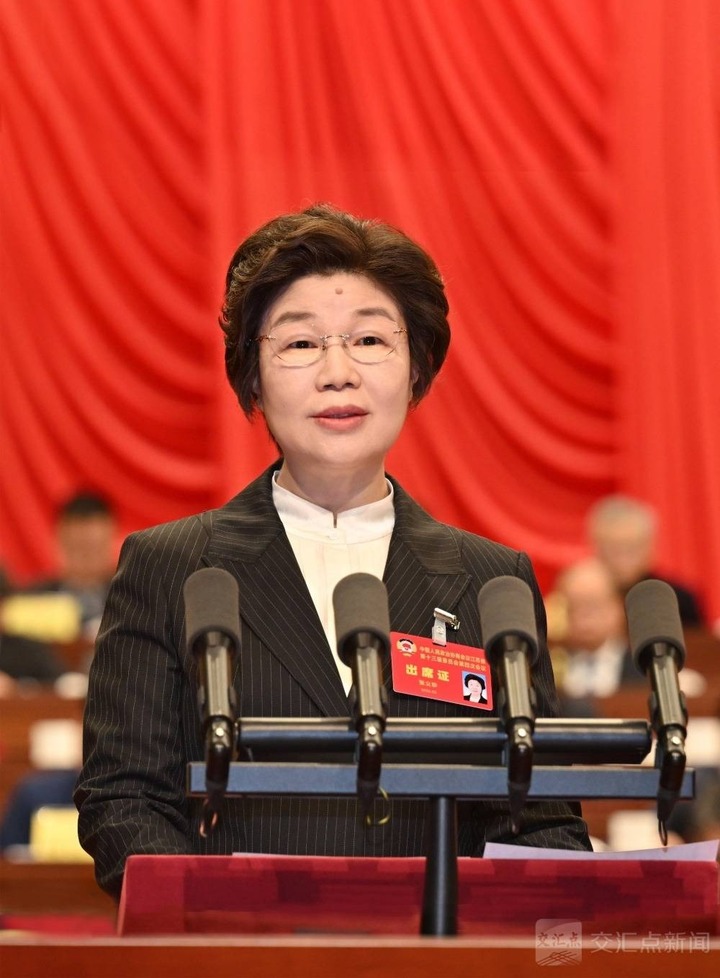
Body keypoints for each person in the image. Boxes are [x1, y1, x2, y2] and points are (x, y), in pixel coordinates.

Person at [75, 203, 591, 899]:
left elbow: (539, 816)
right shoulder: (171, 567)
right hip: (235, 946)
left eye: (370, 339)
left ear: (417, 366)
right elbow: (124, 801)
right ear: (253, 376)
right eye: (300, 343)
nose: (338, 372)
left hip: (437, 946)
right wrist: (227, 927)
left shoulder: (492, 582)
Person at [587, 495, 705, 628]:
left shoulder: (674, 598)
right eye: (613, 549)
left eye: (631, 548)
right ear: (597, 549)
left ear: (650, 548)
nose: (622, 559)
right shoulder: (584, 596)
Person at [547, 557, 642, 715]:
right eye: (574, 607)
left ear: (618, 607)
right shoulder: (545, 669)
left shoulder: (643, 667)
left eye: (593, 606)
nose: (583, 617)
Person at [28, 491, 118, 641]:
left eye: (94, 548)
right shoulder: (33, 602)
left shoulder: (131, 601)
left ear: (111, 539)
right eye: (78, 548)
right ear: (59, 540)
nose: (86, 558)